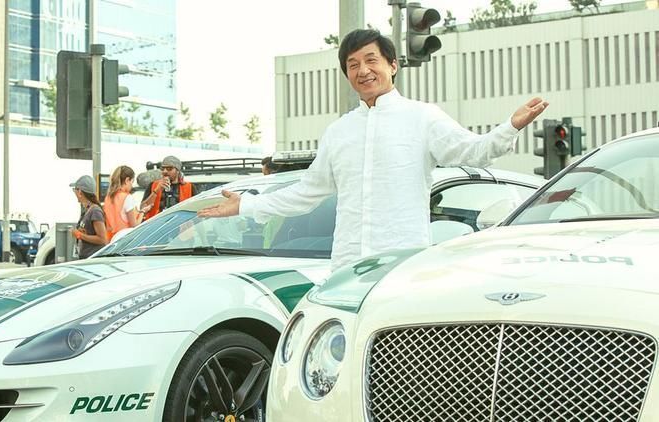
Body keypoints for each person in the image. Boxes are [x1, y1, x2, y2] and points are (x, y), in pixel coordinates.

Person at [199, 29, 548, 271]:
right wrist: (247, 204)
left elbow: (473, 152)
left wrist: (510, 126)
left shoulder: (422, 117)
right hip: (347, 268)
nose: (363, 71)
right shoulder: (339, 131)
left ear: (392, 65)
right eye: (353, 65)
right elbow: (306, 192)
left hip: (402, 266)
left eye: (371, 60)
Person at [141, 155, 197, 220]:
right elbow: (142, 207)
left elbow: (197, 210)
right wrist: (156, 190)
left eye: (169, 169)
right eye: (163, 169)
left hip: (180, 224)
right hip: (156, 224)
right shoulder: (153, 185)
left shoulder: (189, 187)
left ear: (177, 170)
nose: (165, 171)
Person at [70, 175, 108, 259]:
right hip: (86, 257)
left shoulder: (95, 211)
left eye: (74, 190)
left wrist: (80, 235)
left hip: (93, 259)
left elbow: (102, 239)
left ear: (80, 192)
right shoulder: (88, 210)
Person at [103, 165, 145, 241]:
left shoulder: (108, 198)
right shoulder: (127, 198)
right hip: (125, 241)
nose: (132, 186)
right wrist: (142, 212)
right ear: (127, 180)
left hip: (111, 241)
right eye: (132, 182)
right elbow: (134, 225)